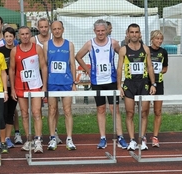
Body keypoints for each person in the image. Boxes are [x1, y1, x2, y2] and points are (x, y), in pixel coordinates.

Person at [75, 19, 128, 149]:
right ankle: (103, 137)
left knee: (114, 109)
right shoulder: (90, 44)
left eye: (102, 31)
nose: (100, 33)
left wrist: (120, 68)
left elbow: (123, 54)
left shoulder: (113, 42)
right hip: (97, 82)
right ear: (94, 31)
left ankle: (120, 136)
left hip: (111, 81)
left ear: (107, 31)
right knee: (101, 109)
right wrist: (88, 70)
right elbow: (78, 56)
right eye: (98, 31)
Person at [117, 23, 156, 151]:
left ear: (140, 34)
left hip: (143, 83)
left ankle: (142, 139)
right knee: (130, 112)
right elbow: (119, 68)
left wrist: (153, 84)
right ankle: (133, 140)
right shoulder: (123, 50)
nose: (134, 34)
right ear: (128, 34)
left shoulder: (145, 49)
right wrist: (119, 86)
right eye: (132, 32)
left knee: (144, 112)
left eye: (136, 32)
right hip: (129, 84)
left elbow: (150, 67)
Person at [9, 26, 47, 153]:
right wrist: (13, 89)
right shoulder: (15, 51)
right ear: (18, 36)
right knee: (24, 114)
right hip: (21, 87)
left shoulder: (37, 48)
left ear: (30, 35)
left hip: (36, 85)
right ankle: (29, 140)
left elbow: (43, 67)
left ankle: (38, 140)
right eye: (22, 34)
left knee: (36, 112)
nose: (25, 36)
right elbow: (12, 70)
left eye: (27, 34)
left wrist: (45, 86)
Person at [44, 21, 77, 151]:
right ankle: (52, 138)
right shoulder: (47, 45)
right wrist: (45, 84)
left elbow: (72, 64)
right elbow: (45, 65)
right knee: (52, 111)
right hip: (52, 83)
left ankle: (69, 138)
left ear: (63, 30)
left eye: (59, 29)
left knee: (67, 110)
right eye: (54, 29)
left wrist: (74, 83)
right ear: (51, 31)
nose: (57, 31)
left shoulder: (69, 44)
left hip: (66, 82)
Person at [31, 18, 62, 145]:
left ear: (49, 27)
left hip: (52, 76)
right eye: (41, 27)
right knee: (36, 108)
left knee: (53, 106)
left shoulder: (53, 39)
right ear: (38, 28)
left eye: (45, 27)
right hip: (37, 75)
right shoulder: (34, 40)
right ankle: (37, 134)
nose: (44, 29)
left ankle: (54, 132)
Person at [149, 30, 168, 148]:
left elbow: (165, 68)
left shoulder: (163, 52)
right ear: (152, 39)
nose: (159, 41)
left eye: (161, 39)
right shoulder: (147, 50)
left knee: (158, 111)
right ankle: (143, 136)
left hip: (159, 83)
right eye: (157, 39)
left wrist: (159, 71)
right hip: (146, 83)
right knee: (144, 111)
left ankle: (155, 137)